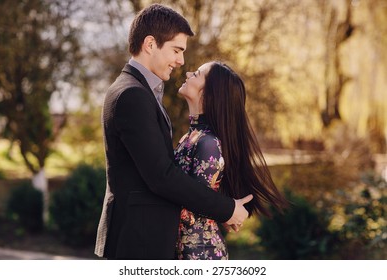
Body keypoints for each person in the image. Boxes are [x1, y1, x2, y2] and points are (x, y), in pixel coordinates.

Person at [94, 4, 252, 260]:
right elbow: (161, 176)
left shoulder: (139, 90)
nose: (180, 61)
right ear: (150, 44)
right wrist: (226, 209)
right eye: (176, 50)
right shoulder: (132, 94)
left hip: (145, 237)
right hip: (139, 240)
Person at [175, 61, 289, 260]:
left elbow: (195, 201)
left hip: (199, 253)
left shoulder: (208, 143)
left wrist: (225, 210)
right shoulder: (192, 136)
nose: (187, 73)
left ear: (209, 94)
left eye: (197, 74)